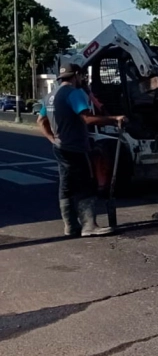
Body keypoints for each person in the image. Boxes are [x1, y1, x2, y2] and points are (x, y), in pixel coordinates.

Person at [38, 63, 127, 237]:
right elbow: (86, 118)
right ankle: (89, 226)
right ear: (77, 75)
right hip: (76, 148)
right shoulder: (75, 93)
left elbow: (41, 121)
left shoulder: (50, 96)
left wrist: (52, 139)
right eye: (81, 76)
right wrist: (114, 118)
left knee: (66, 186)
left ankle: (70, 226)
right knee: (86, 185)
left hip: (60, 148)